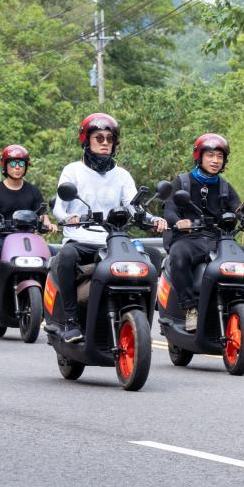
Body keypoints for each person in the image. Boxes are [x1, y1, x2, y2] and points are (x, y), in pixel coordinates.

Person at [46, 113, 168, 343]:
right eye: (99, 138)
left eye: (109, 139)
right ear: (87, 140)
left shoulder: (121, 175)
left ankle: (146, 315)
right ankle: (71, 321)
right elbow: (60, 208)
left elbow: (135, 207)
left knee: (150, 257)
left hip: (113, 241)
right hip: (80, 239)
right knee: (66, 257)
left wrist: (153, 220)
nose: (104, 143)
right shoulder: (72, 171)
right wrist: (69, 217)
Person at [163, 133, 244, 332]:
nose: (215, 161)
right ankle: (190, 308)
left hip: (218, 240)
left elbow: (240, 210)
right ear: (199, 157)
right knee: (178, 257)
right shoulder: (182, 182)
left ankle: (242, 306)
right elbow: (168, 209)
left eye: (219, 157)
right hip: (188, 239)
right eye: (210, 155)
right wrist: (179, 222)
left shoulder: (224, 186)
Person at [0, 144, 57, 316]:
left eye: (21, 164)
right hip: (1, 237)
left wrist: (49, 224)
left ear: (26, 166)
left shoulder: (33, 191)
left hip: (27, 238)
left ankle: (52, 300)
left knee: (55, 255)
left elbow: (42, 215)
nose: (17, 167)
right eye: (13, 164)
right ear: (5, 165)